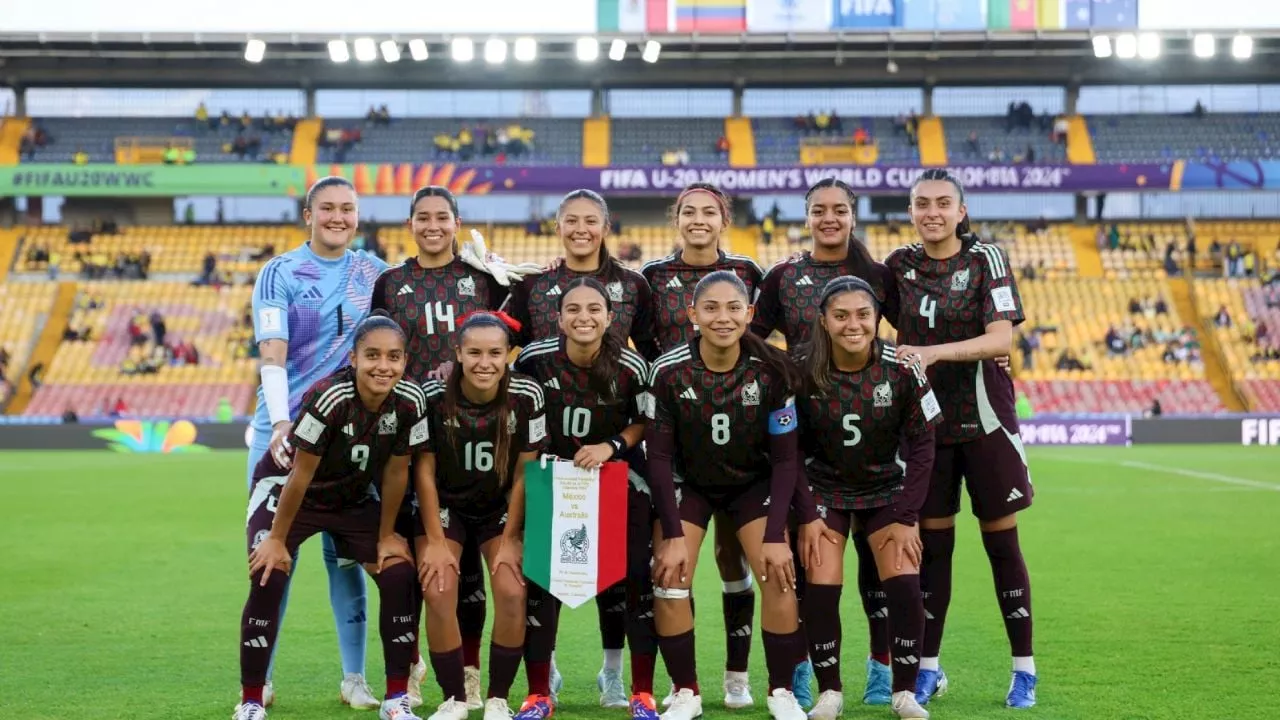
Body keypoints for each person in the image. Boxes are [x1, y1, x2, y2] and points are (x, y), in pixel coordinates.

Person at [885, 169, 1036, 709]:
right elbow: (854, 316)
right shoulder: (898, 267)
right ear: (911, 211)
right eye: (922, 203)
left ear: (961, 211)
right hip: (926, 430)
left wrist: (933, 352)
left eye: (943, 203)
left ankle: (1024, 670)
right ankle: (928, 668)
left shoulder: (985, 259)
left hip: (986, 424)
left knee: (1002, 546)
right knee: (934, 553)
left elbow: (1002, 337)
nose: (932, 212)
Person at [237, 312, 431, 720]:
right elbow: (301, 474)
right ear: (354, 358)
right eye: (373, 356)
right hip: (289, 489)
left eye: (394, 357)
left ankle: (396, 699)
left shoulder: (410, 401)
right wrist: (275, 539)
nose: (384, 365)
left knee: (397, 572)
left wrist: (385, 536)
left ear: (404, 361)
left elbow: (397, 471)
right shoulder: (330, 396)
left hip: (350, 494)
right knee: (269, 572)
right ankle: (251, 700)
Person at [500, 188, 655, 699]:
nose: (581, 228)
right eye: (571, 220)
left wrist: (614, 445)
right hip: (550, 474)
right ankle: (544, 682)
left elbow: (647, 400)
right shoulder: (535, 309)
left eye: (591, 220)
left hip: (614, 471)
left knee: (619, 576)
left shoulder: (634, 290)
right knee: (545, 577)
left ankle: (616, 673)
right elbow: (499, 351)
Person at [751, 177, 900, 706]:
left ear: (853, 216)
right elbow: (752, 336)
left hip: (877, 437)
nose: (830, 218)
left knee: (878, 565)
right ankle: (805, 672)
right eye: (820, 210)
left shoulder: (879, 276)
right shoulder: (784, 275)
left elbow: (911, 343)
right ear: (807, 216)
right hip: (809, 443)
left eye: (839, 210)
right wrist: (786, 377)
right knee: (813, 562)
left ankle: (882, 667)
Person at [246, 176, 389, 711]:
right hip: (282, 431)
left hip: (352, 436)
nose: (337, 217)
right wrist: (281, 423)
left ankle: (354, 678)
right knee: (271, 557)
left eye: (347, 209)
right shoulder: (278, 272)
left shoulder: (374, 272)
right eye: (327, 207)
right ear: (308, 214)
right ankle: (259, 679)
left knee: (347, 558)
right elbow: (273, 354)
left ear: (357, 215)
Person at [373, 186, 515, 707]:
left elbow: (503, 343)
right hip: (414, 428)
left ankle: (471, 670)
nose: (433, 225)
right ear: (410, 223)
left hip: (475, 430)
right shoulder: (391, 282)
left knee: (472, 568)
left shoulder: (481, 278)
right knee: (421, 562)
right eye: (423, 217)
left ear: (457, 222)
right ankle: (411, 667)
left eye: (442, 217)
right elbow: (380, 345)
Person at [645, 270, 808, 720]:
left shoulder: (774, 370)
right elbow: (658, 458)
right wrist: (673, 534)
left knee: (778, 573)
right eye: (711, 308)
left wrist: (777, 533)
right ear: (692, 313)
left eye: (734, 308)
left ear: (750, 314)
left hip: (752, 486)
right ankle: (686, 692)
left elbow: (785, 460)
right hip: (689, 484)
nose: (723, 317)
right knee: (669, 575)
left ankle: (780, 691)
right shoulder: (668, 370)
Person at [791, 276, 940, 720]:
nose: (852, 325)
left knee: (905, 581)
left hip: (886, 490)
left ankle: (904, 692)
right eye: (840, 316)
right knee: (821, 584)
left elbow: (924, 444)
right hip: (824, 489)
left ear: (877, 318)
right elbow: (789, 450)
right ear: (823, 320)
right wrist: (805, 513)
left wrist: (908, 515)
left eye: (862, 315)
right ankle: (829, 692)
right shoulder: (800, 368)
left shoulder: (903, 366)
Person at [639, 182, 764, 710]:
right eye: (688, 211)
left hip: (736, 430)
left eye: (707, 211)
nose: (697, 219)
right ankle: (681, 684)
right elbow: (642, 346)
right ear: (676, 219)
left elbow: (760, 340)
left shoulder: (749, 274)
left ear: (723, 219)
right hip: (673, 428)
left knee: (733, 555)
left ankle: (738, 676)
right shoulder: (652, 278)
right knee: (672, 558)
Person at [412, 313, 548, 720]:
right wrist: (435, 542)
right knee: (437, 590)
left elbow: (526, 471)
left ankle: (497, 699)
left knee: (511, 590)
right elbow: (424, 470)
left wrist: (510, 539)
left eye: (495, 353)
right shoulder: (433, 395)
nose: (484, 362)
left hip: (499, 509)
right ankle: (454, 697)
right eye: (473, 352)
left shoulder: (527, 394)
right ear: (457, 353)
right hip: (448, 507)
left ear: (509, 355)